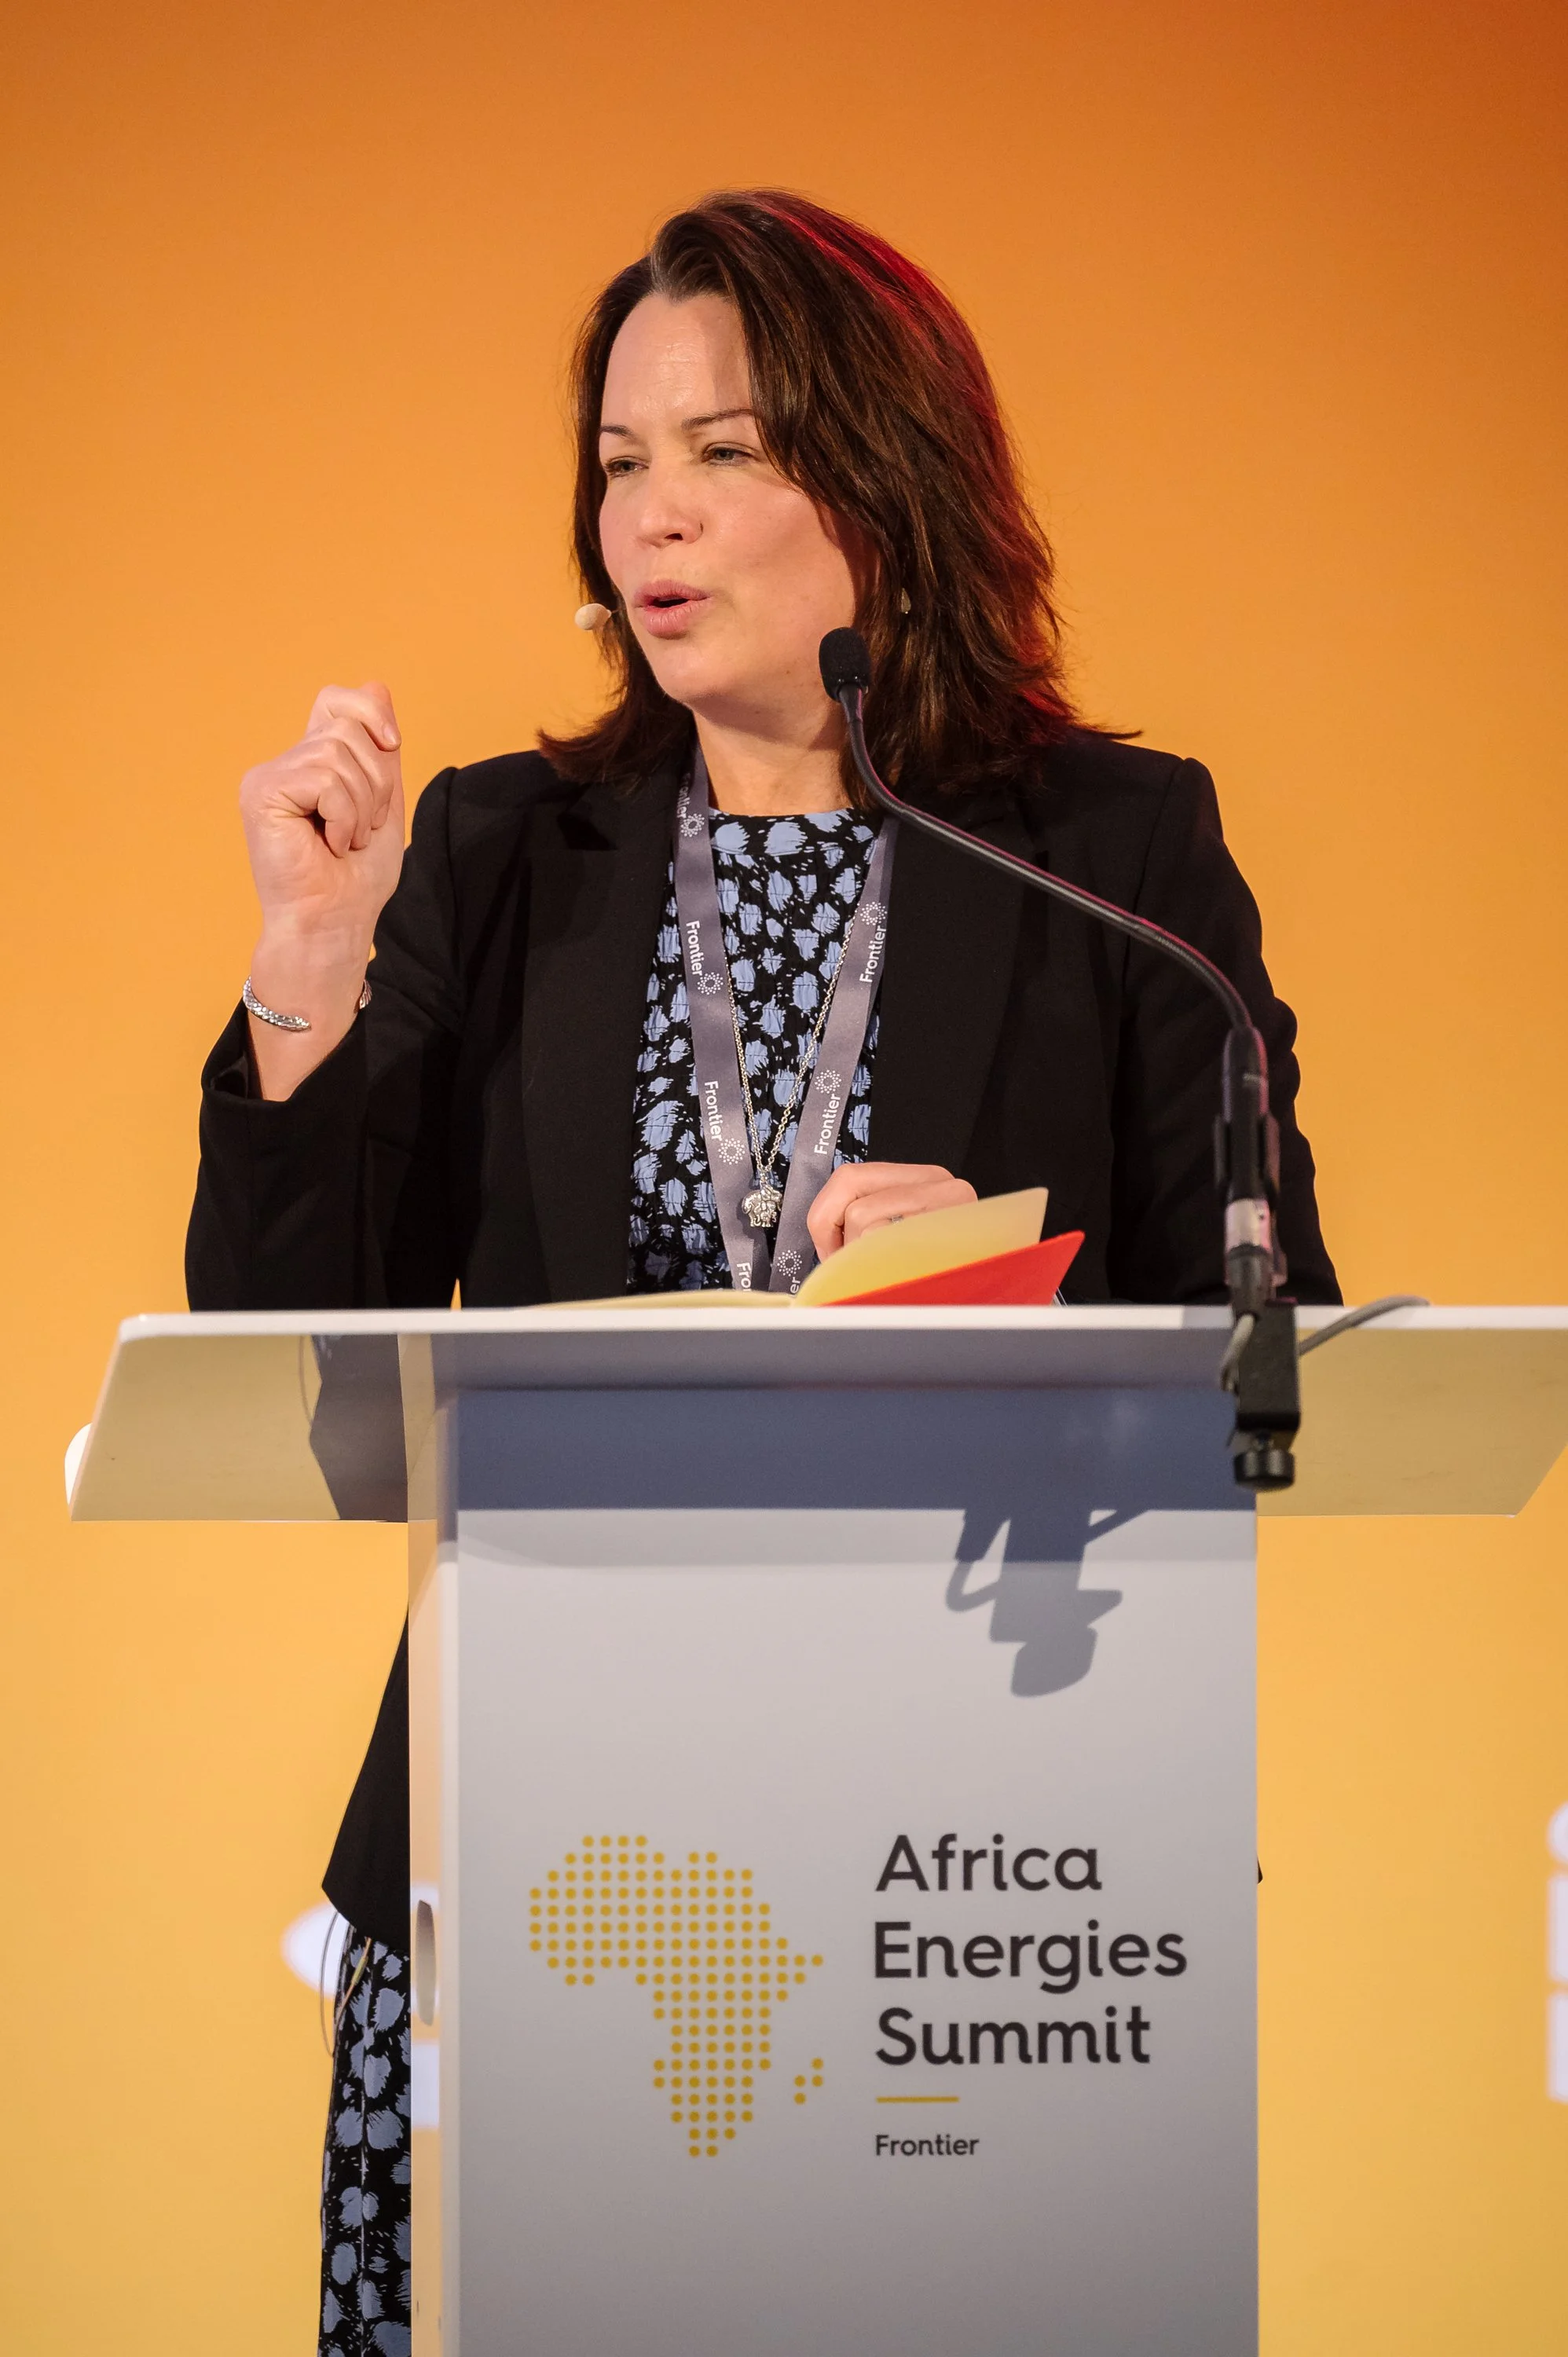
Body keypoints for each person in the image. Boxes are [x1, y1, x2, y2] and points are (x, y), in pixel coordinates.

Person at [185, 188, 1337, 2355]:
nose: (655, 514)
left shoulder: (1109, 853)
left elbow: (1274, 1342)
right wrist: (308, 964)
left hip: (978, 1866)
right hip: (548, 1831)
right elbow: (280, 1330)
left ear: (886, 481)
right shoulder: (504, 852)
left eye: (724, 450)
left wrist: (1015, 1290)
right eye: (621, 461)